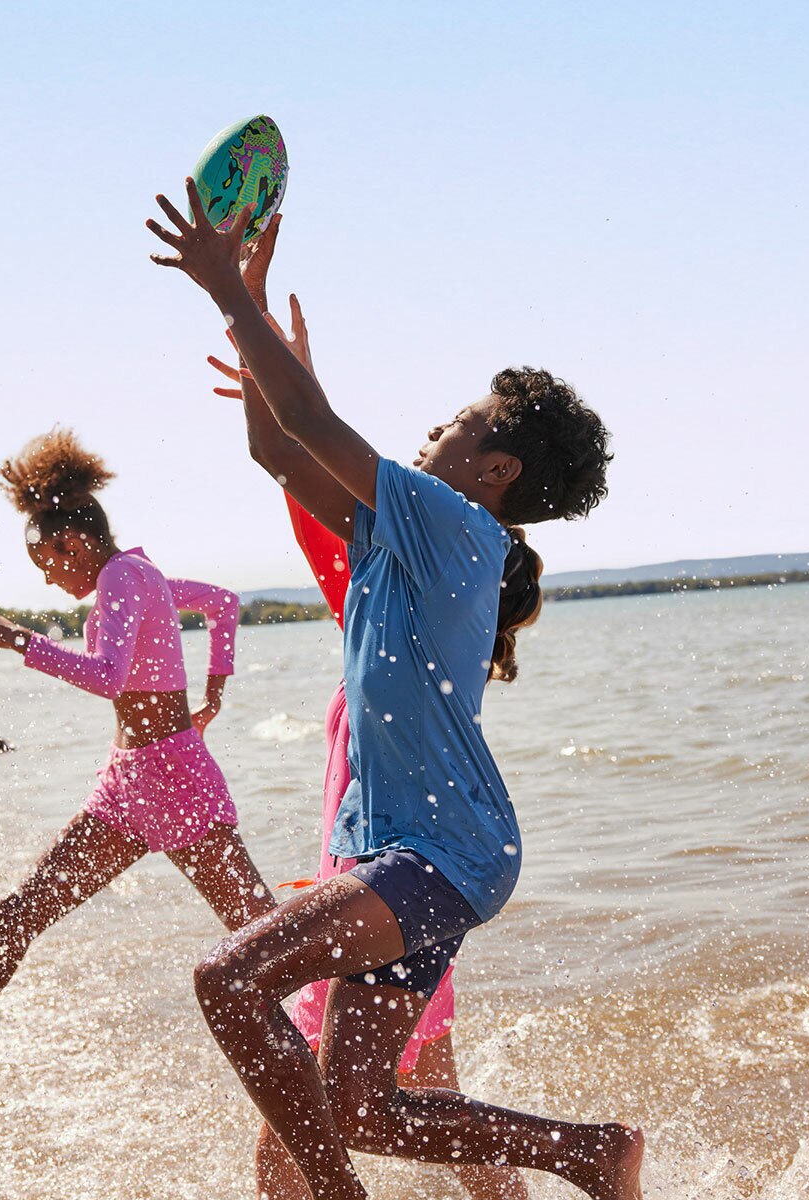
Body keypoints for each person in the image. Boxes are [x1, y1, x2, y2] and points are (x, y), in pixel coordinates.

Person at [147, 186, 643, 1200]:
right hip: (421, 857)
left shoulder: (455, 524)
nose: (432, 429)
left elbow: (316, 422)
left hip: (439, 854)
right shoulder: (409, 536)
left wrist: (229, 298)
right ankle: (591, 1154)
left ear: (495, 468)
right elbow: (280, 447)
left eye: (457, 423)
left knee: (226, 979)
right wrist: (252, 329)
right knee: (361, 1107)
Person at [0, 427, 274, 1121]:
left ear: (69, 543)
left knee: (265, 937)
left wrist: (20, 641)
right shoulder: (137, 577)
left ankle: (363, 1042)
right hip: (129, 786)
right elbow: (221, 602)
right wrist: (216, 685)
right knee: (18, 915)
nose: (47, 579)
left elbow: (107, 677)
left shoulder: (124, 577)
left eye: (45, 563)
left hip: (176, 782)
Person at [212, 216, 526, 1200]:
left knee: (297, 1145)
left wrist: (252, 324)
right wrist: (261, 350)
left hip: (388, 893)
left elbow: (312, 453)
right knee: (423, 1116)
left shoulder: (389, 587)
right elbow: (291, 455)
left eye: (449, 431)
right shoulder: (400, 610)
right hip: (371, 890)